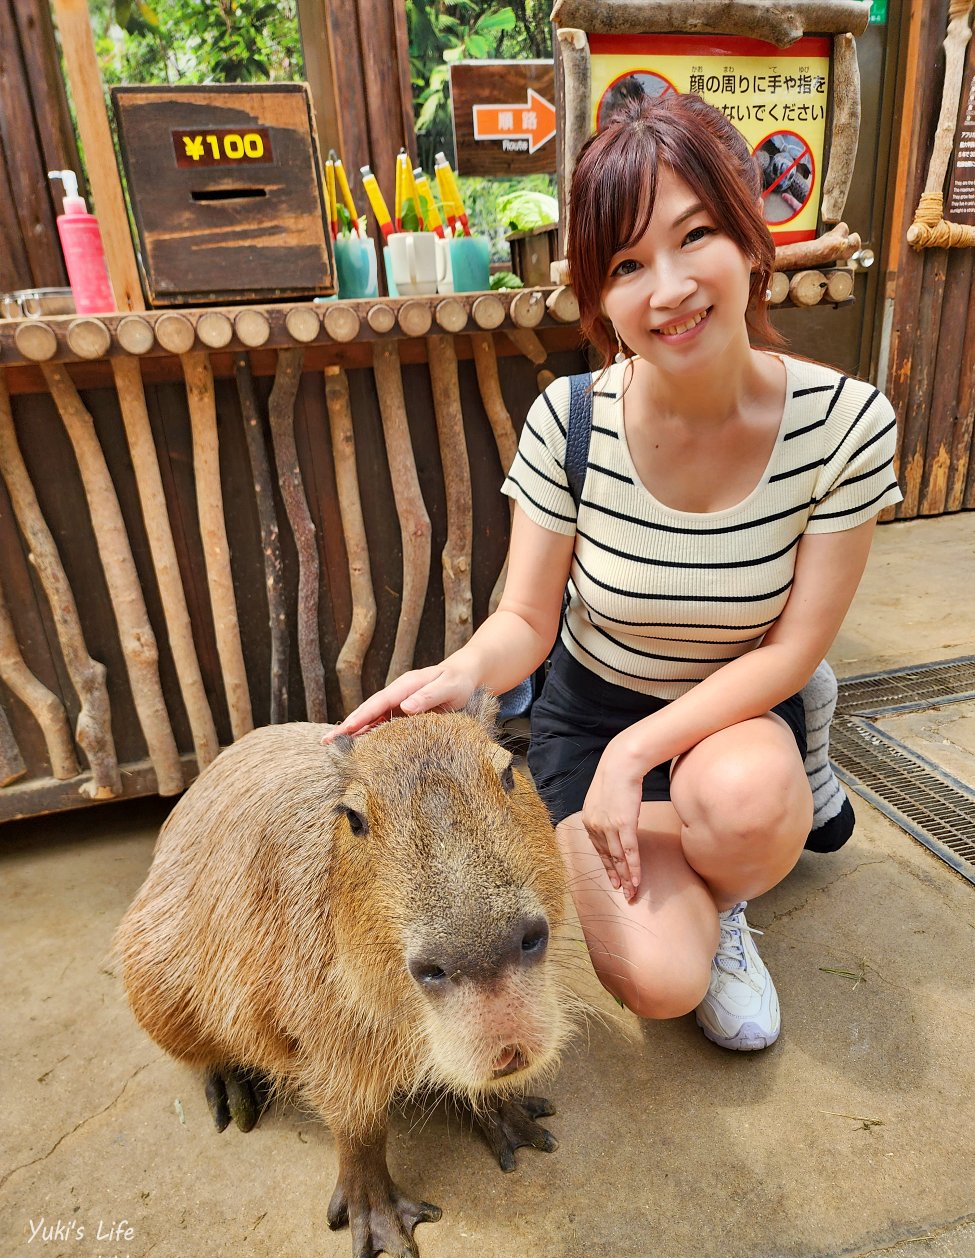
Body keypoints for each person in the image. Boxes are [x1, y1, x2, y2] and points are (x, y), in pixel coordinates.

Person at [324, 93, 902, 1052]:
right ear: (597, 298)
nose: (666, 289)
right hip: (592, 708)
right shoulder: (572, 417)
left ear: (752, 242)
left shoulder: (844, 424)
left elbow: (796, 644)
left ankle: (758, 839)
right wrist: (463, 673)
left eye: (694, 236)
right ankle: (699, 894)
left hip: (738, 708)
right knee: (658, 984)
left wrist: (641, 762)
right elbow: (525, 620)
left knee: (750, 801)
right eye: (627, 265)